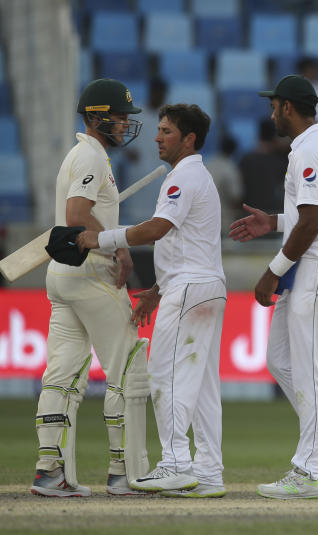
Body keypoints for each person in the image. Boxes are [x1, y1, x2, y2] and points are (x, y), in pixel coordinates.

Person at [228, 75, 318, 499]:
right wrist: (273, 221)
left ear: (287, 107)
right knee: (281, 360)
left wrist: (273, 269)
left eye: (274, 106)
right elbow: (311, 215)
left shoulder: (309, 149)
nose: (271, 113)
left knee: (308, 368)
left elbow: (311, 223)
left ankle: (308, 471)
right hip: (316, 265)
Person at [77, 103, 227, 498]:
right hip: (204, 285)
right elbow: (188, 244)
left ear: (189, 139)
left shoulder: (183, 178)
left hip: (191, 289)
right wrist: (158, 290)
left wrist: (101, 238)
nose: (157, 138)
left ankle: (175, 463)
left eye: (166, 131)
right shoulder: (195, 176)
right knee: (204, 385)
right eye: (159, 130)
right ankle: (209, 471)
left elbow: (158, 230)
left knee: (165, 375)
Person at [30, 78, 150, 498]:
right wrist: (117, 247)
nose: (124, 124)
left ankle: (50, 472)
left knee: (62, 375)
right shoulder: (92, 157)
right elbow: (77, 213)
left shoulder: (80, 155)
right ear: (96, 117)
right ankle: (126, 474)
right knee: (127, 369)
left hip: (62, 276)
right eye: (119, 117)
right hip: (91, 272)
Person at [119, 78, 167, 224]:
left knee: (159, 216)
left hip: (161, 173)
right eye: (156, 92)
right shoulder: (136, 113)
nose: (158, 96)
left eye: (161, 93)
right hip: (138, 173)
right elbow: (120, 137)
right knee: (137, 218)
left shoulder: (168, 117)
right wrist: (127, 150)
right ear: (151, 92)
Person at [239, 118, 287, 214]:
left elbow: (239, 192)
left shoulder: (247, 160)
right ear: (275, 137)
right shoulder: (281, 161)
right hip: (276, 215)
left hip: (251, 214)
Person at [204, 134, 243, 231]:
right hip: (224, 219)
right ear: (234, 150)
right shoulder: (230, 168)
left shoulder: (208, 164)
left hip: (204, 217)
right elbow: (236, 196)